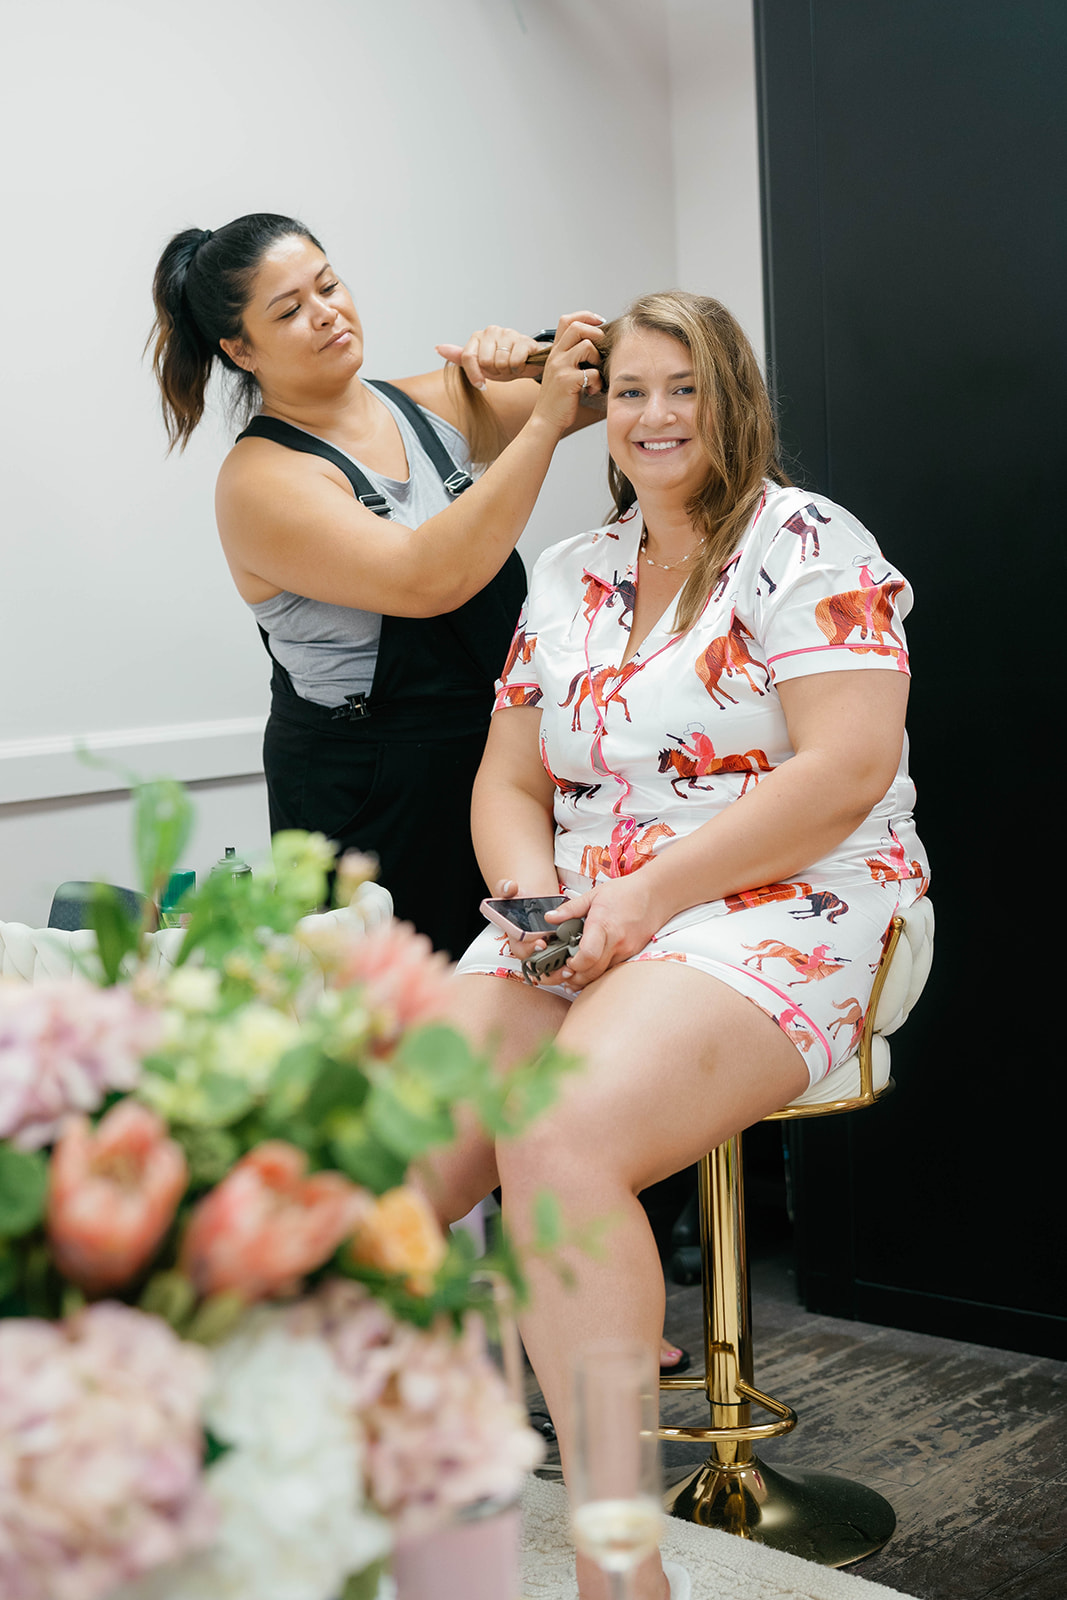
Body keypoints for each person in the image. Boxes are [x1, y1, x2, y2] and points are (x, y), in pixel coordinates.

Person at [421, 291, 929, 1600]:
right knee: (375, 1149)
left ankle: (615, 1570)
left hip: (787, 897)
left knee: (556, 1131)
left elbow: (844, 771)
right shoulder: (570, 569)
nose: (653, 416)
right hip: (584, 912)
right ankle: (375, 1508)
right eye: (631, 390)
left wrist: (641, 905)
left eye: (682, 389)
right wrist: (537, 905)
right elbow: (506, 782)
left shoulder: (806, 545)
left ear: (731, 398)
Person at [148, 211, 604, 956]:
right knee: (401, 1031)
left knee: (526, 993)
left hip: (497, 764)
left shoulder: (424, 408)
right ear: (239, 348)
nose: (325, 312)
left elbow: (610, 386)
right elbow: (430, 577)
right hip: (369, 795)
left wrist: (534, 358)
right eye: (289, 310)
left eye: (328, 285)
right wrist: (540, 421)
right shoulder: (262, 480)